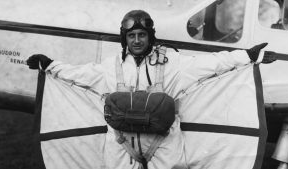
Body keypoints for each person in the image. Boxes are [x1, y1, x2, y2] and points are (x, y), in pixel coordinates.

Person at [27, 10, 272, 169]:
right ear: (125, 38)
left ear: (150, 36)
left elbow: (210, 64)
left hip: (163, 144)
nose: (136, 40)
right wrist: (49, 65)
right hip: (120, 143)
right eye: (131, 35)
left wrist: (248, 56)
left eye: (141, 35)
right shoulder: (110, 67)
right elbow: (80, 75)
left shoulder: (172, 62)